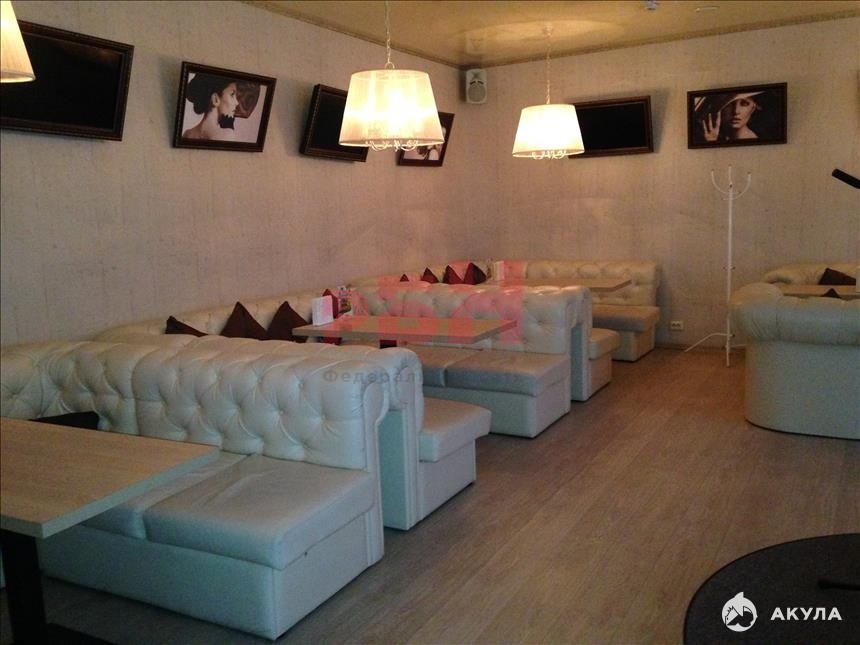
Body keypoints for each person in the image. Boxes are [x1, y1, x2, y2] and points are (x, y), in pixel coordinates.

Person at [182, 74, 240, 141]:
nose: (237, 102)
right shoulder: (227, 135)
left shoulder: (187, 134)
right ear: (215, 99)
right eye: (232, 94)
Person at [698, 91, 763, 143]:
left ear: (753, 108)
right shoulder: (718, 135)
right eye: (729, 104)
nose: (736, 111)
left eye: (744, 104)